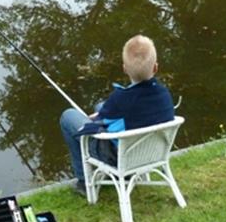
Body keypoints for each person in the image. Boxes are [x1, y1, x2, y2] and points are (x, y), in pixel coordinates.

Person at [59, 35, 175, 195]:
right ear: (155, 67)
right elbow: (109, 111)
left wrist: (93, 120)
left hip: (120, 157)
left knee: (68, 116)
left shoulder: (121, 99)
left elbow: (98, 121)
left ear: (125, 69)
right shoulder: (164, 94)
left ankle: (84, 181)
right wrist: (102, 113)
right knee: (101, 105)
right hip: (152, 153)